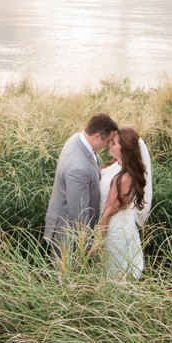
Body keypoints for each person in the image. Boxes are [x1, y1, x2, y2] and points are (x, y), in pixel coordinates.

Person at [44, 112, 119, 264]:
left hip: (63, 220)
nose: (108, 145)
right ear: (97, 136)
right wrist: (89, 245)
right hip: (68, 234)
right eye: (108, 141)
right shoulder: (79, 168)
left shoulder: (76, 139)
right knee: (66, 279)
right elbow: (79, 214)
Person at [93, 126, 149, 279]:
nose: (109, 145)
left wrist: (98, 239)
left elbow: (109, 211)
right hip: (120, 225)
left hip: (114, 229)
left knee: (114, 274)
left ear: (124, 149)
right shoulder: (117, 165)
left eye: (114, 144)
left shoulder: (124, 178)